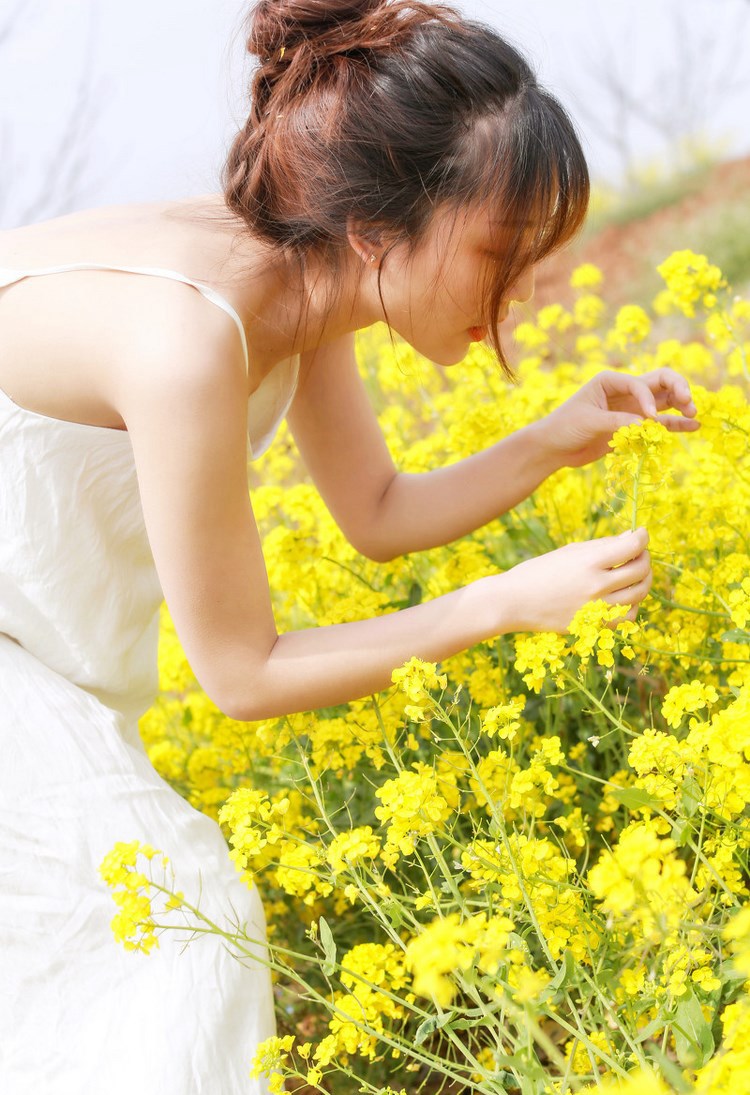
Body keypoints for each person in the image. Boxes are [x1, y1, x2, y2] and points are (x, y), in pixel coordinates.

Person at [0, 0, 699, 1092]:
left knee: (109, 956)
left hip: (38, 662)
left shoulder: (310, 273)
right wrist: (502, 603)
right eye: (496, 256)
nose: (517, 298)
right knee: (175, 931)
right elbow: (241, 673)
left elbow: (374, 511)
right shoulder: (187, 339)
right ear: (381, 230)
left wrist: (557, 438)